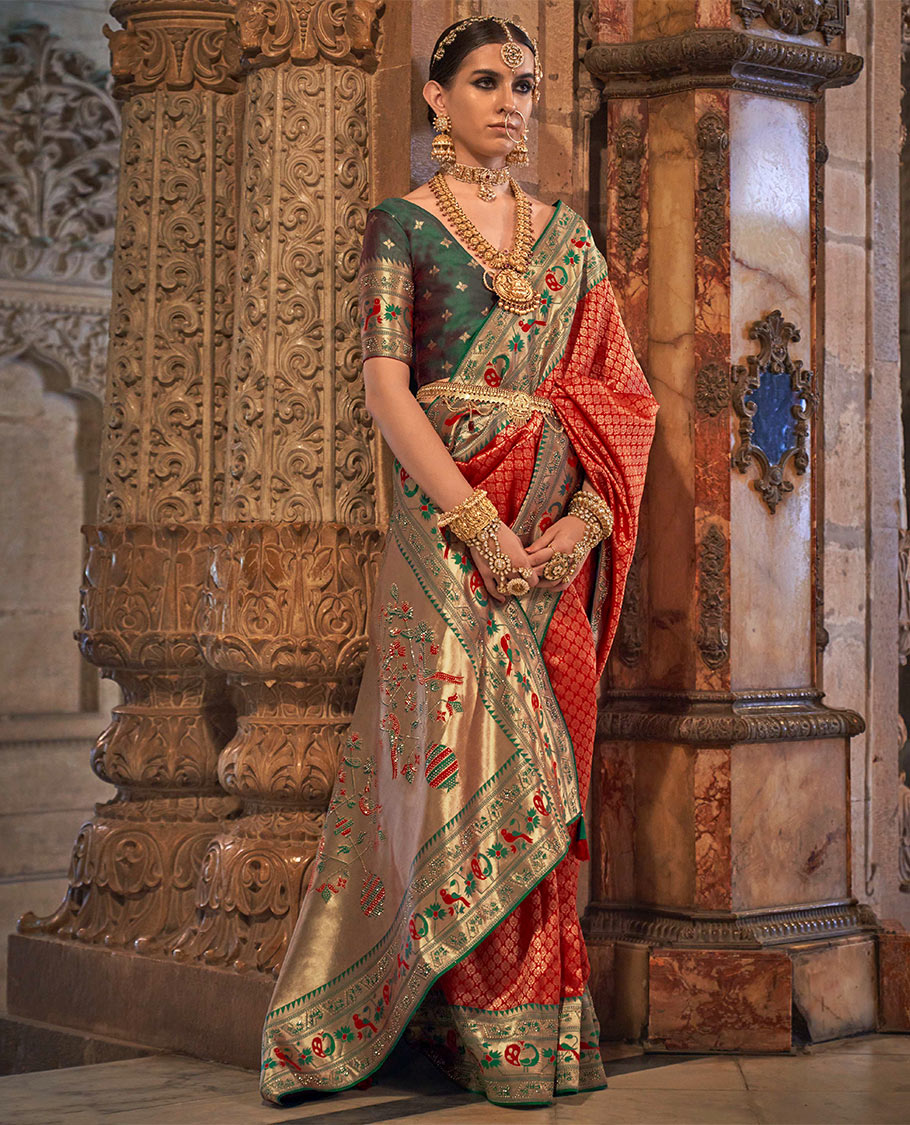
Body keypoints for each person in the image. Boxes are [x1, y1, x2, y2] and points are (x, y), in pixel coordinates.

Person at [259, 15, 658, 1108]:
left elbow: (616, 399)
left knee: (549, 769)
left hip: (552, 548)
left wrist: (576, 530)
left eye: (524, 84)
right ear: (436, 98)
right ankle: (468, 1027)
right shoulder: (401, 226)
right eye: (485, 82)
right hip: (451, 540)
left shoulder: (567, 240)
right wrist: (479, 528)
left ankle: (541, 1025)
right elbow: (388, 392)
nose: (510, 102)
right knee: (461, 771)